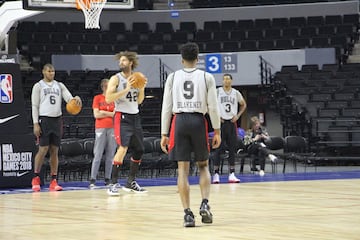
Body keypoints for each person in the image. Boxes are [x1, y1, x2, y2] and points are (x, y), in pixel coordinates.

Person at [160, 42, 221, 227]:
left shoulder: (172, 77)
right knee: (203, 166)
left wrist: (164, 133)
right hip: (198, 121)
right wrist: (217, 129)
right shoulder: (206, 76)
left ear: (181, 59)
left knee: (183, 170)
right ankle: (205, 203)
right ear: (197, 58)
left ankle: (187, 214)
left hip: (179, 122)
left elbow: (167, 107)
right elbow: (213, 106)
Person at [31, 63, 82, 192]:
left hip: (57, 120)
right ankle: (36, 177)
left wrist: (76, 99)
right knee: (43, 149)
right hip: (44, 119)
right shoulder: (38, 86)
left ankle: (54, 180)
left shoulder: (59, 85)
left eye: (53, 71)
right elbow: (34, 106)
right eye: (49, 71)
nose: (51, 73)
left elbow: (70, 99)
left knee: (54, 151)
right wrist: (36, 123)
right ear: (43, 72)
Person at [105, 50, 147, 195]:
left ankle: (130, 182)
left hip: (135, 116)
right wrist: (126, 89)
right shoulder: (115, 79)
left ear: (130, 63)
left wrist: (141, 89)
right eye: (120, 60)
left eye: (123, 60)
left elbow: (140, 101)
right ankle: (113, 182)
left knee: (139, 150)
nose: (120, 63)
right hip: (121, 116)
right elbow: (108, 99)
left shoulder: (137, 78)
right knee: (122, 148)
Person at [212, 73, 247, 184]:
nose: (226, 81)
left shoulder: (236, 93)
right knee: (218, 148)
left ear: (231, 81)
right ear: (222, 81)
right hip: (220, 123)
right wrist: (216, 116)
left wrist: (238, 115)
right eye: (224, 79)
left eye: (228, 79)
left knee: (232, 148)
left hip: (232, 123)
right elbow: (210, 105)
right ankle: (216, 174)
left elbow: (243, 104)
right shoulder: (217, 91)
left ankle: (232, 173)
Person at [89, 78, 117, 189]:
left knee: (110, 155)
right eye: (105, 85)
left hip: (112, 128)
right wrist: (109, 113)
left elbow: (116, 114)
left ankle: (107, 178)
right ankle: (93, 179)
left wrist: (103, 112)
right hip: (100, 128)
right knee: (98, 154)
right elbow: (96, 115)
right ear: (102, 87)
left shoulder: (114, 99)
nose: (107, 87)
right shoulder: (97, 98)